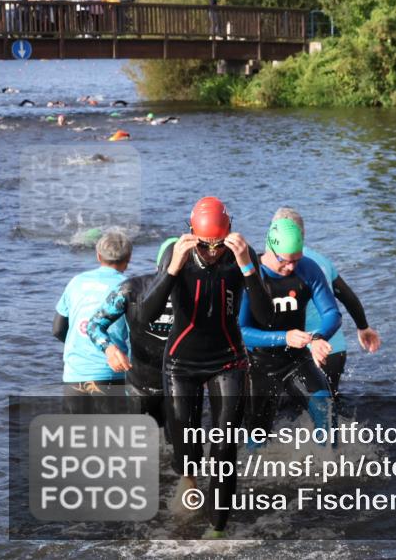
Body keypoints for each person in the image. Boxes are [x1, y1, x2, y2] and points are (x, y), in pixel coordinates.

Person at [139, 197, 273, 539]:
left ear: (228, 233)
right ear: (192, 234)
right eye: (205, 244)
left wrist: (247, 267)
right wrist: (173, 269)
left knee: (224, 447)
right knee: (187, 449)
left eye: (218, 243)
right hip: (181, 364)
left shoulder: (242, 255)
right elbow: (145, 315)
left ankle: (217, 530)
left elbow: (266, 316)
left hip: (227, 360)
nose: (212, 252)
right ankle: (188, 476)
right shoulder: (176, 254)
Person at [239, 218, 341, 440]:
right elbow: (241, 332)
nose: (291, 267)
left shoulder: (307, 269)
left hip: (296, 359)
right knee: (257, 438)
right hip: (258, 365)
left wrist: (318, 337)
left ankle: (331, 470)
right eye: (285, 261)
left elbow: (332, 313)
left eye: (297, 259)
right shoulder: (251, 274)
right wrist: (284, 337)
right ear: (270, 248)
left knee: (326, 411)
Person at [272, 207, 381, 395]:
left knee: (294, 412)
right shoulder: (320, 260)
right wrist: (363, 327)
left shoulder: (273, 265)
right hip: (333, 350)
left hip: (299, 352)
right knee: (330, 406)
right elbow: (347, 296)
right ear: (303, 234)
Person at [87, 237, 178, 428]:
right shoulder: (131, 289)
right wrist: (109, 349)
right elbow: (95, 325)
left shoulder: (199, 292)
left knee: (178, 448)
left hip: (180, 386)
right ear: (161, 265)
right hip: (139, 386)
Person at [53, 229, 134, 412]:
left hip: (74, 373)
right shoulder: (129, 287)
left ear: (98, 256)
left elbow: (57, 329)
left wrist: (83, 346)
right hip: (110, 373)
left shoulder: (76, 282)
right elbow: (137, 334)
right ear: (128, 258)